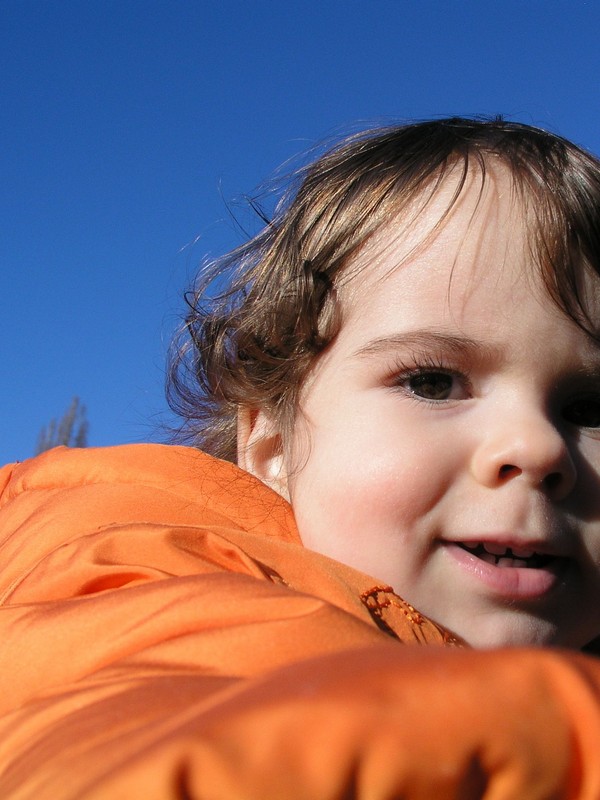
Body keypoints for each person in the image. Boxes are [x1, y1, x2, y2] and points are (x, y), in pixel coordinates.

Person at [1, 117, 600, 798]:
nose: (536, 446)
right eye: (433, 383)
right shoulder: (163, 581)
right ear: (272, 449)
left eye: (591, 407)